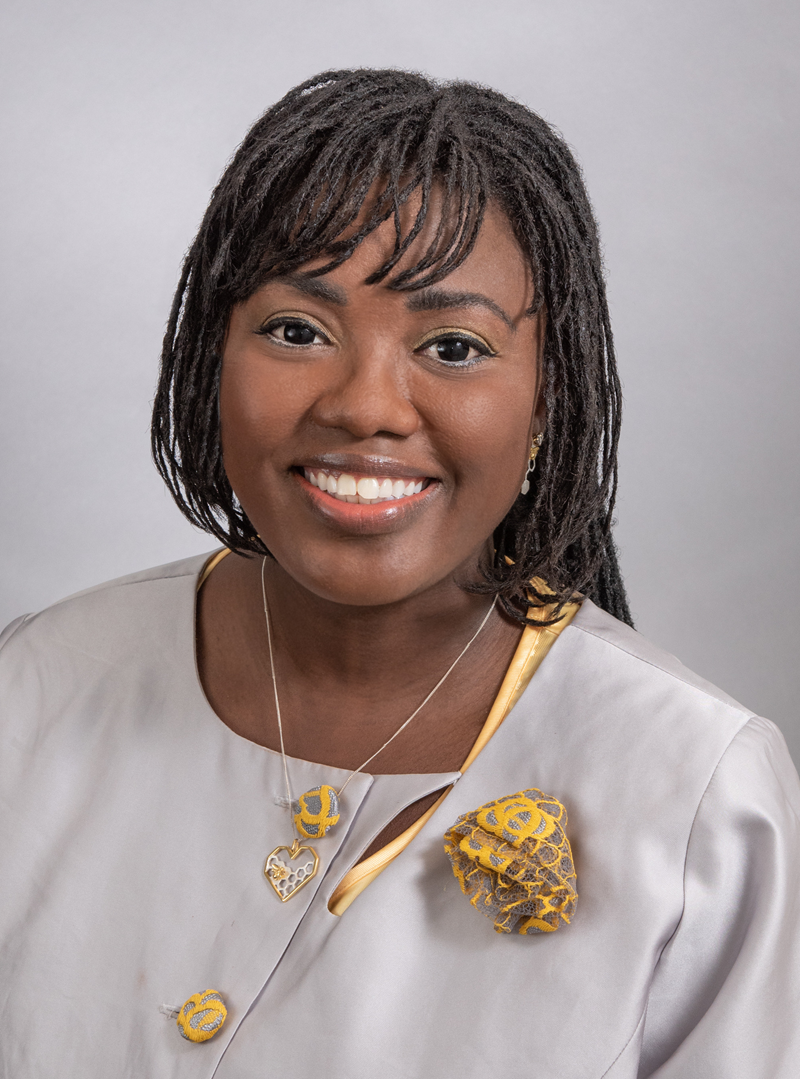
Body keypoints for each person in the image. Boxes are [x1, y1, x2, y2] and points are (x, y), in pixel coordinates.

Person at [1, 68, 798, 1077]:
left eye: (454, 346)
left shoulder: (696, 794)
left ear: (549, 394)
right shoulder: (36, 685)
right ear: (213, 355)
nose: (365, 404)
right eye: (297, 330)